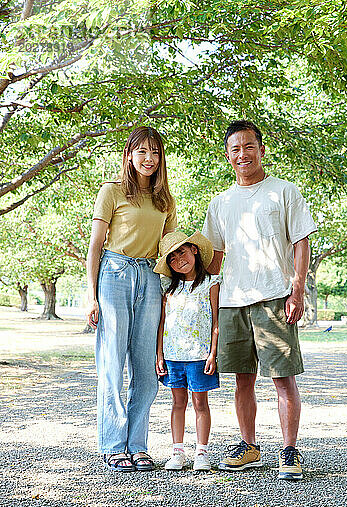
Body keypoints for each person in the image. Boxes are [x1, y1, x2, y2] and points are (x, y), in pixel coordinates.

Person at [202, 120, 317, 480]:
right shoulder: (220, 202)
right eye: (235, 149)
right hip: (233, 301)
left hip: (275, 297)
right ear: (227, 156)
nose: (243, 154)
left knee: (282, 378)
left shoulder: (283, 192)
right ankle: (249, 447)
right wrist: (206, 303)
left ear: (261, 150)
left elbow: (301, 242)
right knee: (242, 379)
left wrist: (296, 290)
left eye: (249, 146)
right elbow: (214, 257)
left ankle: (289, 452)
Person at [86, 126, 177, 472]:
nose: (149, 159)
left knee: (146, 370)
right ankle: (113, 444)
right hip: (115, 275)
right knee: (111, 364)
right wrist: (91, 294)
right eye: (142, 151)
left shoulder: (164, 200)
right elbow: (96, 245)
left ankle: (137, 443)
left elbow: (167, 248)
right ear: (128, 155)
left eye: (155, 153)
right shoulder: (111, 192)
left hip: (150, 278)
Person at [154, 231, 220, 471]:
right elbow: (163, 323)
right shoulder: (169, 289)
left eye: (181, 251)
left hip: (199, 356)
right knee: (177, 402)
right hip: (172, 355)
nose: (178, 259)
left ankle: (201, 451)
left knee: (200, 403)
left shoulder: (210, 283)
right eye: (171, 257)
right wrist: (159, 354)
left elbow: (216, 321)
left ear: (194, 250)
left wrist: (213, 353)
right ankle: (178, 451)